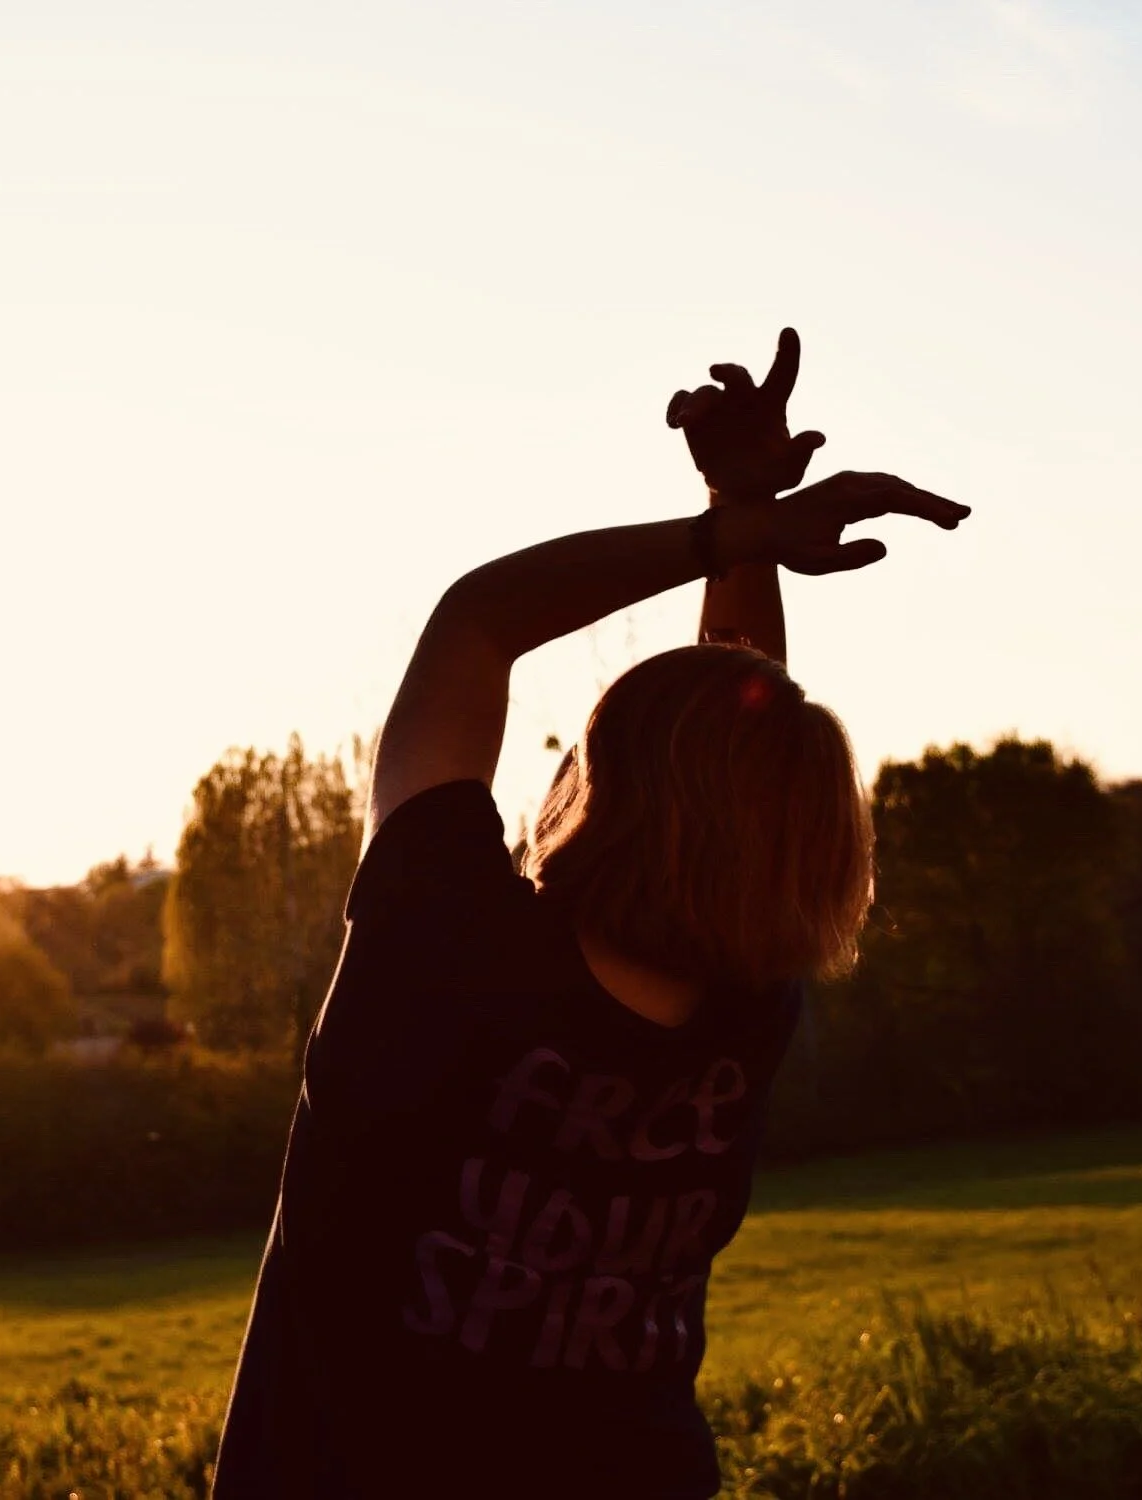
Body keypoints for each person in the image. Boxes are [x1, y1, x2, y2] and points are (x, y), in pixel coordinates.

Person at [211, 329, 970, 1498]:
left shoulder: (445, 940)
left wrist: (732, 530)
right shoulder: (739, 1019)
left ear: (595, 795)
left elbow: (477, 621)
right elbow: (741, 737)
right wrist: (743, 508)